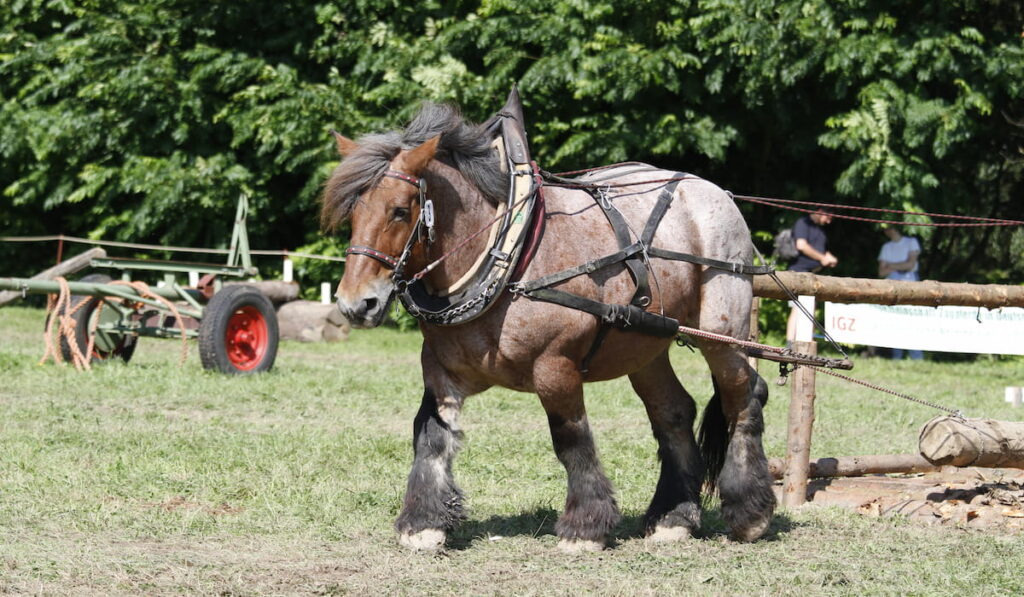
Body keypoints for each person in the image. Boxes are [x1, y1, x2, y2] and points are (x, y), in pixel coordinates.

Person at [786, 209, 838, 342]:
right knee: (798, 309)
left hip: (812, 274)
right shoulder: (803, 223)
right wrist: (822, 258)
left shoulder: (819, 230)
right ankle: (790, 344)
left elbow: (820, 251)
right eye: (829, 216)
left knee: (809, 309)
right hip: (798, 273)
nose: (829, 221)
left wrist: (828, 257)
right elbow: (801, 245)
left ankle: (804, 343)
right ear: (821, 211)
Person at [878, 225, 924, 360]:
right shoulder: (886, 247)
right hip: (891, 285)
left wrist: (891, 266)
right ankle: (896, 356)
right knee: (895, 321)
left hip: (911, 284)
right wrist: (901, 265)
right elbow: (882, 272)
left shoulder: (911, 242)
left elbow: (910, 265)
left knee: (913, 321)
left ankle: (916, 357)